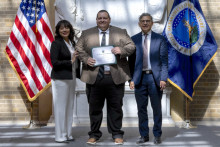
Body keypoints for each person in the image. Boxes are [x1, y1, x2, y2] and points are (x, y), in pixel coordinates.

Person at [76, 10, 135, 145]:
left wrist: (122, 50)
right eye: (99, 18)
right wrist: (86, 59)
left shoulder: (121, 32)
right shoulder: (87, 33)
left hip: (115, 76)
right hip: (94, 77)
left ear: (109, 19)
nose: (102, 20)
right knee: (94, 108)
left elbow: (131, 46)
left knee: (115, 107)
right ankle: (94, 134)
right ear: (96, 20)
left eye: (105, 18)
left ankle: (117, 134)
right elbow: (78, 49)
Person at [128, 13, 168, 145]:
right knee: (141, 109)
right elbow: (130, 63)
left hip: (154, 78)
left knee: (156, 108)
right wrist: (131, 80)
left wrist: (163, 78)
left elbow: (164, 61)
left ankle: (157, 135)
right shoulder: (133, 39)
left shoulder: (160, 39)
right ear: (139, 24)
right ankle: (144, 135)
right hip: (139, 79)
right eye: (143, 21)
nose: (145, 23)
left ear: (152, 23)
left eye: (148, 21)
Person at [50, 20, 80, 143]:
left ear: (70, 30)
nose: (64, 30)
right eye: (61, 28)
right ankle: (60, 136)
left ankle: (68, 134)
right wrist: (71, 61)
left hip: (71, 77)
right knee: (60, 107)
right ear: (57, 30)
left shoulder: (72, 43)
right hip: (60, 79)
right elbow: (55, 63)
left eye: (66, 28)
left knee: (69, 106)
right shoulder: (56, 44)